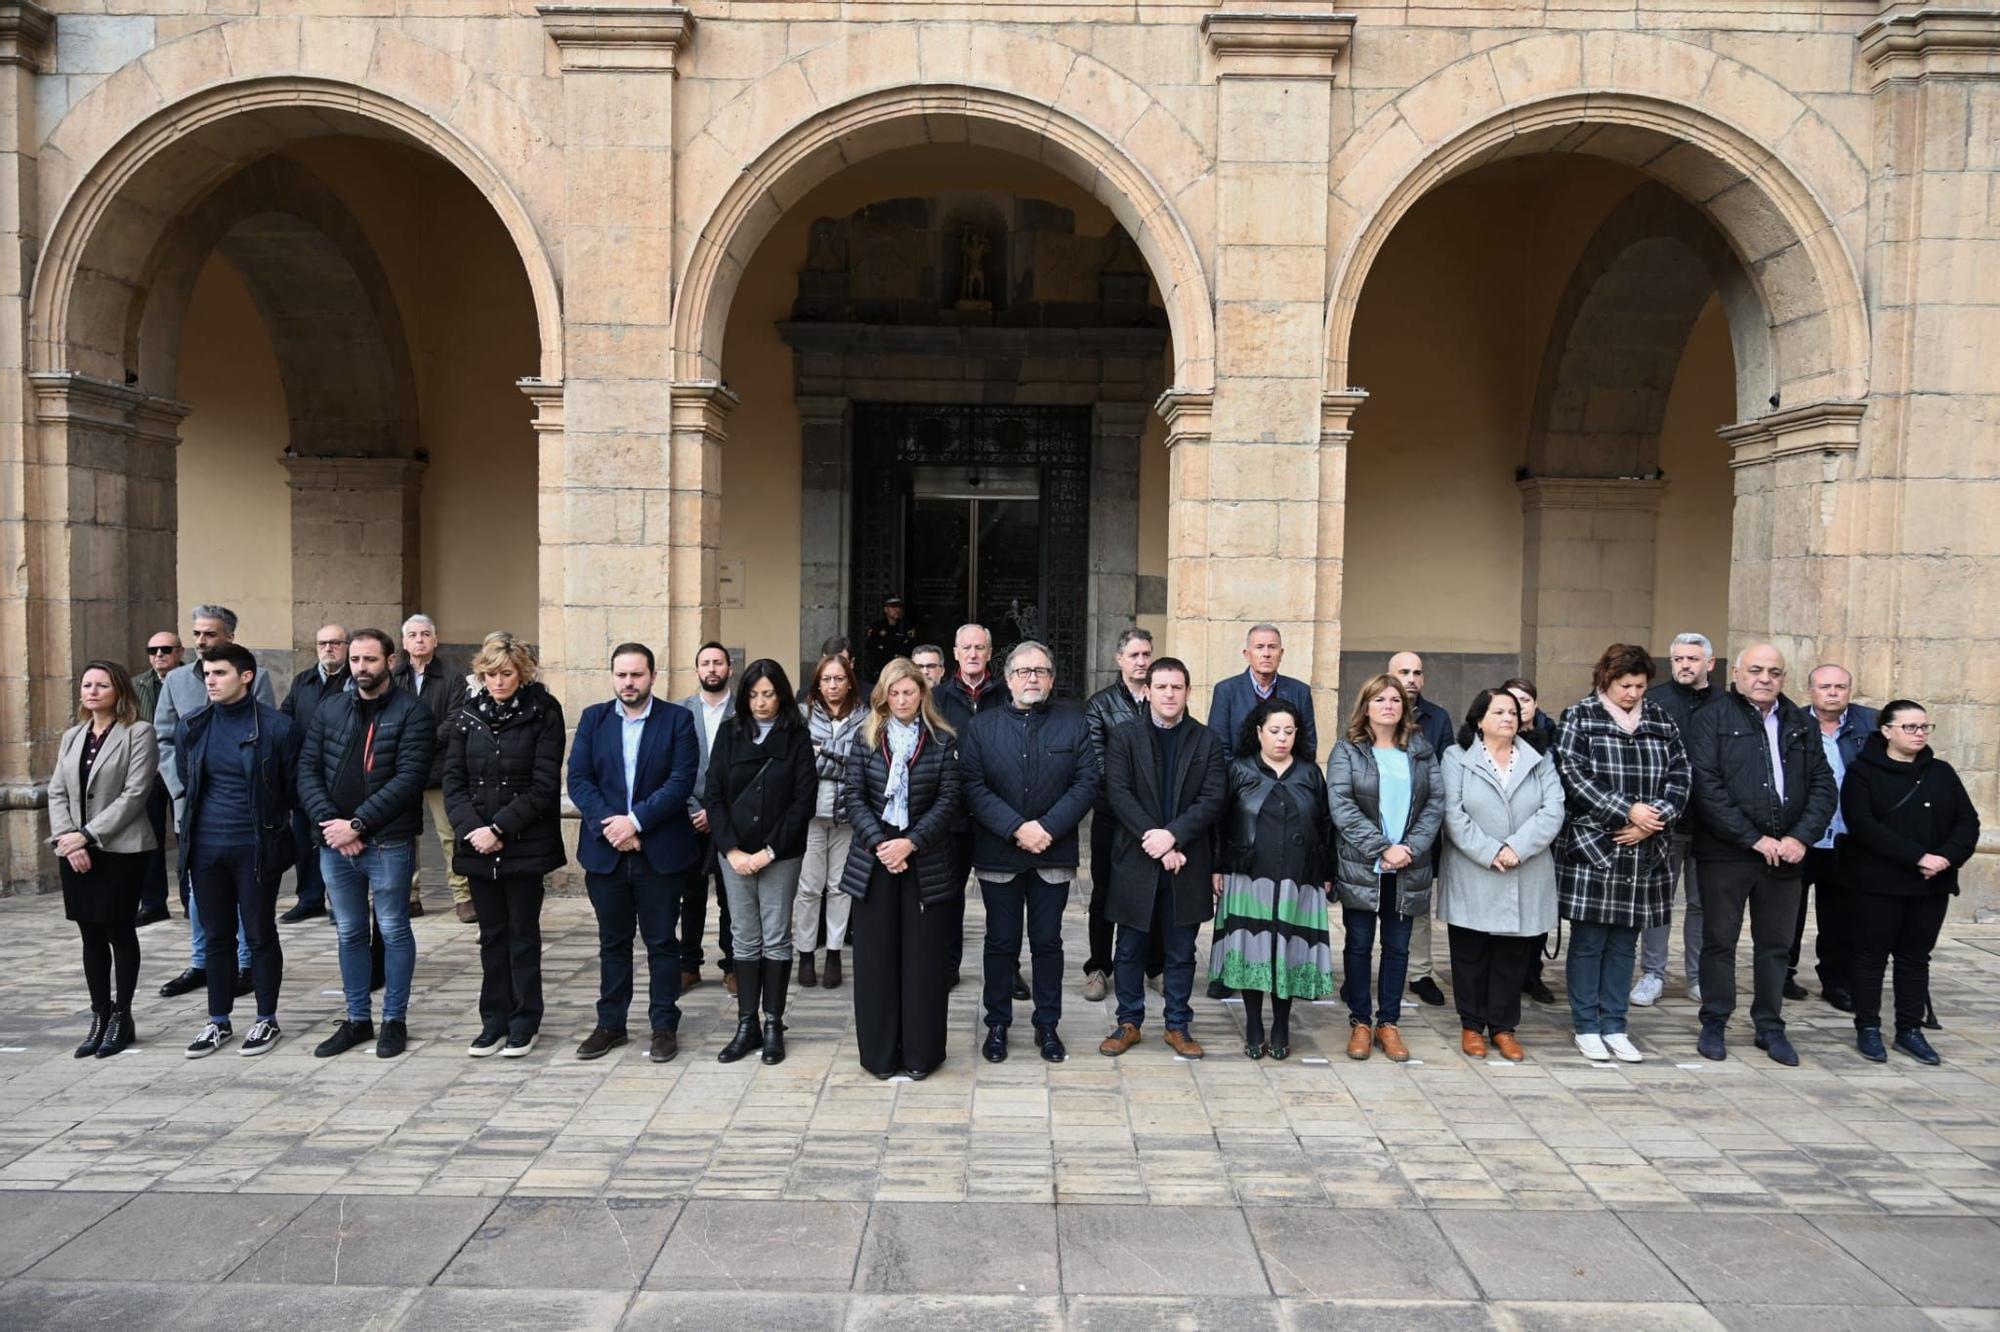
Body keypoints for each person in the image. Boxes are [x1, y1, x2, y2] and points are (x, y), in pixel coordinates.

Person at [1685, 643, 1836, 1066]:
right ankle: (1714, 1020)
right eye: (1756, 669)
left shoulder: (1799, 722)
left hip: (1786, 855)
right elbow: (1705, 785)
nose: (1765, 678)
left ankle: (1769, 1025)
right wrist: (1753, 838)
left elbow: (1823, 784)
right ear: (1736, 672)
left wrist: (1801, 837)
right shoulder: (1711, 717)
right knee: (1720, 941)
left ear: (1784, 678)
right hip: (1727, 854)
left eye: (1774, 671)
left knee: (1776, 945)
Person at [297, 628, 435, 1059]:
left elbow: (409, 778)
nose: (361, 668)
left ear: (390, 661)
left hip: (387, 842)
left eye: (370, 660)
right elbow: (307, 770)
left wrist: (358, 824)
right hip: (335, 843)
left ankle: (394, 1019)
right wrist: (333, 826)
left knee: (393, 928)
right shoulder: (330, 707)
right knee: (349, 931)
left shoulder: (412, 711)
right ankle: (357, 1018)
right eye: (355, 660)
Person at [960, 639, 1098, 1064]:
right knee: (1000, 943)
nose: (1031, 678)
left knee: (1048, 944)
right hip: (999, 852)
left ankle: (1048, 1026)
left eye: (1040, 671)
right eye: (1023, 672)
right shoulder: (982, 727)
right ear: (1008, 679)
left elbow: (1087, 782)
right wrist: (1017, 828)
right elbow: (972, 785)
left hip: (1052, 854)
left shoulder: (1073, 724)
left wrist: (1047, 829)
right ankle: (997, 1024)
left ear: (1052, 680)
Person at [1553, 644, 1691, 1064]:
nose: (1632, 693)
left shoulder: (1660, 720)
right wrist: (1625, 811)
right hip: (1595, 847)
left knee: (1623, 945)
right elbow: (1573, 776)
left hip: (1645, 850)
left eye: (1639, 686)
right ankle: (1586, 1023)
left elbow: (1681, 775)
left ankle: (1615, 1023)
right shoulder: (1580, 717)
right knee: (1590, 941)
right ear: (1605, 681)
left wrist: (1653, 818)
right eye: (1624, 685)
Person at [569, 643, 700, 1064]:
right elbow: (580, 780)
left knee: (662, 942)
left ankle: (664, 1026)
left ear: (652, 676)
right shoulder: (593, 719)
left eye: (637, 675)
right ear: (613, 676)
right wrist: (613, 827)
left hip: (658, 850)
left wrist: (636, 822)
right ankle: (611, 1024)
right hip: (606, 852)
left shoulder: (677, 719)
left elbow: (680, 782)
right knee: (613, 942)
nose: (629, 682)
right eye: (622, 675)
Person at [174, 644, 302, 1058]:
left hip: (255, 846)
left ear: (246, 677)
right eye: (206, 674)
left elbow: (290, 789)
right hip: (205, 847)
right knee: (216, 937)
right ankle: (218, 1021)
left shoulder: (277, 728)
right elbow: (186, 779)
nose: (210, 681)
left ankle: (266, 1018)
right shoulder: (193, 725)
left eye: (219, 673)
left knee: (260, 933)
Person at [1097, 657, 1227, 1060]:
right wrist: (1157, 841)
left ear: (1188, 692)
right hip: (1136, 856)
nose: (1169, 694)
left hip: (1186, 859)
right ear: (1148, 691)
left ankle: (1178, 1025)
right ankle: (1128, 1021)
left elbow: (1213, 798)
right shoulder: (1124, 736)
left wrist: (1173, 837)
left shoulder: (1206, 740)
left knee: (1180, 949)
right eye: (1162, 687)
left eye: (1177, 687)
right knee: (1130, 945)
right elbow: (1118, 793)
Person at [1838, 701, 1981, 1065]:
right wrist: (1917, 856)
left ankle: (1909, 1029)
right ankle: (1868, 1027)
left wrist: (1946, 857)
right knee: (1870, 957)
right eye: (1910, 727)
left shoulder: (1942, 772)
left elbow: (1968, 822)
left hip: (1930, 884)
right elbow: (1864, 824)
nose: (1919, 734)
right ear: (1886, 730)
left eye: (1924, 727)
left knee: (1915, 958)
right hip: (1878, 882)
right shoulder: (1863, 773)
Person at [444, 633, 565, 1058]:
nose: (498, 681)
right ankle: (493, 1019)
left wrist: (498, 828)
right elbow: (454, 783)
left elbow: (544, 785)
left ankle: (524, 1020)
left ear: (522, 672)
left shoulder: (543, 713)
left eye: (506, 673)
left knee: (522, 934)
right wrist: (473, 829)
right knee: (491, 935)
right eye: (491, 674)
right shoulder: (467, 715)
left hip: (522, 844)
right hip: (477, 846)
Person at [840, 658, 962, 1079]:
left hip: (923, 859)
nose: (903, 699)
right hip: (875, 860)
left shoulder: (943, 741)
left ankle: (920, 1055)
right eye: (894, 692)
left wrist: (911, 843)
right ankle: (879, 1054)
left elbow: (948, 801)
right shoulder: (866, 739)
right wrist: (881, 844)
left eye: (909, 691)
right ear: (884, 697)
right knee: (876, 962)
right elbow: (853, 797)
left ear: (922, 694)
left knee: (923, 963)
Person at [153, 603, 272, 998]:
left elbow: (266, 736)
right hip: (192, 803)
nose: (202, 641)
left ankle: (244, 963)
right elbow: (163, 739)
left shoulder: (260, 677)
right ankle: (202, 961)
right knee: (198, 890)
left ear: (230, 638)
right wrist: (179, 788)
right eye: (198, 633)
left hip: (239, 809)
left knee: (241, 887)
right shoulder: (175, 682)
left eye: (210, 634)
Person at [1438, 688, 1564, 1062]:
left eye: (1513, 712)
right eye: (1498, 712)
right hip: (1474, 869)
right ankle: (1472, 1025)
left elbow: (1552, 809)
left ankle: (1505, 1028)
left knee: (1513, 955)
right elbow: (1453, 813)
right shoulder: (1457, 757)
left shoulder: (1538, 758)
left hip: (1524, 868)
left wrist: (1516, 849)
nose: (1508, 718)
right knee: (1471, 953)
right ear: (1479, 719)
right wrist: (1491, 851)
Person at [1209, 698, 1334, 1059]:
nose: (1282, 739)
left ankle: (1281, 1023)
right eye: (1275, 731)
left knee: (1288, 949)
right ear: (1259, 732)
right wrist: (1217, 867)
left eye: (1289, 732)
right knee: (1254, 947)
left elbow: (1325, 826)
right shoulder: (1239, 770)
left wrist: (1326, 872)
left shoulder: (1310, 773)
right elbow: (1220, 822)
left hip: (1299, 875)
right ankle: (1252, 1022)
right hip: (1249, 875)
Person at [707, 659, 817, 1064]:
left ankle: (773, 1023)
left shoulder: (797, 737)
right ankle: (746, 1023)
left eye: (768, 693)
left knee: (776, 936)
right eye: (753, 694)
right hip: (734, 854)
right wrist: (733, 851)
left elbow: (802, 801)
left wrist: (768, 852)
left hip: (780, 854)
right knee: (744, 938)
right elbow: (714, 795)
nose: (760, 702)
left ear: (782, 694)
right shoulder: (730, 733)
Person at [1328, 674, 1442, 1063]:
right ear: (1366, 706)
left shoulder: (1421, 750)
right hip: (1364, 864)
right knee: (1358, 945)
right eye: (1380, 700)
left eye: (1395, 700)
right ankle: (1360, 1021)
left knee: (1397, 948)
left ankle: (1388, 1023)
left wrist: (1409, 848)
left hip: (1408, 866)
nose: (1389, 706)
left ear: (1404, 708)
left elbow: (1435, 803)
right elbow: (1341, 806)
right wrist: (1382, 848)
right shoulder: (1348, 751)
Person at [48, 661, 159, 1058]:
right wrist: (69, 839)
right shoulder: (73, 736)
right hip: (74, 851)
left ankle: (122, 1016)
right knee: (89, 934)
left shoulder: (138, 733)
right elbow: (57, 791)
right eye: (87, 685)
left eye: (102, 685)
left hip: (121, 848)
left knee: (118, 930)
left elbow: (135, 793)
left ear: (119, 691)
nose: (92, 692)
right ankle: (99, 1013)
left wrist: (88, 835)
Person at [1205, 623, 1317, 1000]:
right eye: (1259, 646)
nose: (1266, 652)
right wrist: (1247, 780)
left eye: (1273, 647)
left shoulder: (1298, 691)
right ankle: (1229, 970)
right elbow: (1218, 747)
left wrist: (1282, 779)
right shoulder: (1226, 690)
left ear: (1282, 653)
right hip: (1241, 795)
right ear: (1246, 653)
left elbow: (1309, 744)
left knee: (1282, 889)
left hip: (1285, 795)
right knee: (1239, 889)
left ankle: (1281, 967)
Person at [1633, 631, 1717, 1008]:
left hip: (1712, 823)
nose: (1685, 665)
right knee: (1658, 901)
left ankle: (1699, 977)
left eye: (1693, 659)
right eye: (1679, 659)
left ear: (1709, 664)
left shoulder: (1727, 704)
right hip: (1663, 820)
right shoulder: (1653, 701)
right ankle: (1653, 974)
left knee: (1703, 904)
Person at [1788, 663, 1877, 1011]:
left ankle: (1836, 982)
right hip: (1801, 836)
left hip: (1846, 837)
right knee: (1788, 913)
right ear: (1810, 690)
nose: (1832, 692)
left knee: (1840, 916)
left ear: (1849, 691)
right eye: (1825, 686)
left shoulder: (1869, 724)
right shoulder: (1791, 723)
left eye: (1840, 686)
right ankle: (1782, 974)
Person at [933, 623, 1010, 992]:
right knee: (950, 896)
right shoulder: (936, 697)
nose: (973, 654)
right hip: (955, 815)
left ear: (990, 653)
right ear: (956, 652)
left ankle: (1007, 970)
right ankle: (948, 966)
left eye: (980, 647)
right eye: (967, 648)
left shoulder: (1007, 693)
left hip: (999, 813)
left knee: (1004, 900)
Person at [1081, 627, 1152, 1002]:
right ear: (1119, 659)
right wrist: (1130, 802)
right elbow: (1097, 764)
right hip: (1112, 815)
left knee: (1153, 889)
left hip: (1154, 818)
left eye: (1146, 655)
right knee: (1104, 890)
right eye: (1135, 655)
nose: (1141, 662)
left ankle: (1151, 965)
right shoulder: (1100, 704)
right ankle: (1098, 967)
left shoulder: (1163, 698)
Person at [393, 613, 471, 922]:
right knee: (403, 834)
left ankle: (463, 896)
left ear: (435, 641)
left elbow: (456, 718)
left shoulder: (453, 678)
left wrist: (420, 743)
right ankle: (409, 896)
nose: (419, 639)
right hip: (402, 770)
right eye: (413, 635)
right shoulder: (394, 677)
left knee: (449, 833)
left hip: (441, 767)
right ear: (404, 642)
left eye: (425, 634)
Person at [795, 653, 864, 990]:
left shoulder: (866, 717)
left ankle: (834, 952)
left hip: (849, 815)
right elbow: (800, 763)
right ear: (817, 684)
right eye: (826, 679)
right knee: (808, 887)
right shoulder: (802, 714)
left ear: (849, 681)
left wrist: (824, 750)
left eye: (839, 679)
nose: (833, 685)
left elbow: (862, 764)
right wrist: (839, 756)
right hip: (810, 813)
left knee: (839, 887)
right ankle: (806, 952)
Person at [1388, 650, 1453, 1009]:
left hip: (1420, 830)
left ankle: (1420, 972)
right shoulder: (1373, 710)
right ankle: (1370, 970)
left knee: (1417, 906)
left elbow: (1443, 772)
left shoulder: (1438, 718)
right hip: (1380, 828)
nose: (1411, 678)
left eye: (1417, 672)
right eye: (1404, 671)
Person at [277, 623, 350, 923]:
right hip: (306, 775)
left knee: (338, 840)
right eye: (322, 643)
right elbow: (285, 720)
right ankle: (309, 899)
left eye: (335, 642)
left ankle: (340, 902)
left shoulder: (355, 680)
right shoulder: (302, 681)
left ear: (347, 646)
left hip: (343, 774)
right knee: (305, 842)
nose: (328, 648)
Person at [678, 642, 736, 995]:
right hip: (688, 815)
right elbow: (672, 768)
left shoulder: (743, 711)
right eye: (705, 663)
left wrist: (718, 813)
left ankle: (733, 965)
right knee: (690, 894)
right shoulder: (680, 712)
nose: (712, 669)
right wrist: (692, 808)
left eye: (718, 663)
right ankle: (689, 965)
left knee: (732, 895)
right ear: (697, 669)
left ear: (729, 668)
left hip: (730, 817)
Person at [1501, 676, 1557, 1004]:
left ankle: (1531, 973)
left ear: (1535, 704)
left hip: (1537, 837)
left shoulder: (1551, 736)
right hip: (1500, 838)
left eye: (1525, 700)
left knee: (1535, 909)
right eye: (1513, 700)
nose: (1519, 707)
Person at [131, 631, 181, 927]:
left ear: (179, 651)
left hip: (180, 768)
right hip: (148, 772)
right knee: (150, 839)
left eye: (165, 649)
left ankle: (192, 900)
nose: (159, 655)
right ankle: (153, 903)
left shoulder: (192, 679)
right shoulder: (137, 685)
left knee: (186, 835)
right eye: (153, 650)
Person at [863, 595, 919, 682]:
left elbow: (911, 647)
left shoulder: (907, 627)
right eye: (893, 607)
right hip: (881, 669)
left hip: (901, 669)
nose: (897, 610)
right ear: (886, 609)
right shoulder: (877, 627)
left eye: (899, 607)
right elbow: (871, 648)